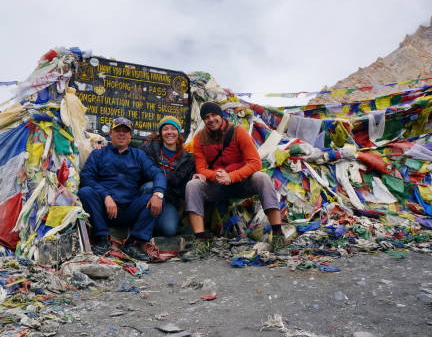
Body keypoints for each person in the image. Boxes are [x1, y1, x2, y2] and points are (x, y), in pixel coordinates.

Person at [183, 101, 284, 259]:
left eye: (214, 115)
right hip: (217, 184)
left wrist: (231, 176)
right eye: (206, 117)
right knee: (193, 185)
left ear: (221, 115)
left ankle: (278, 235)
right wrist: (217, 176)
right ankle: (200, 241)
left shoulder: (238, 132)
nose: (211, 119)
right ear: (203, 120)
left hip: (241, 182)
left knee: (262, 178)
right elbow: (201, 169)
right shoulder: (199, 139)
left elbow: (255, 163)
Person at [78, 117, 166, 261]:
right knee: (86, 192)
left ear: (130, 136)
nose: (121, 134)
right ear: (110, 134)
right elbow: (87, 178)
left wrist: (158, 194)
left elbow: (157, 173)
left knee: (156, 197)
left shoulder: (138, 155)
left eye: (125, 131)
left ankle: (133, 243)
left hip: (128, 209)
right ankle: (102, 239)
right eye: (117, 130)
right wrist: (106, 196)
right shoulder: (98, 154)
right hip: (103, 210)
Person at [141, 116, 195, 236]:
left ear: (178, 132)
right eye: (165, 129)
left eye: (173, 129)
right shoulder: (148, 149)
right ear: (160, 132)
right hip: (148, 192)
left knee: (169, 230)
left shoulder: (187, 158)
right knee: (150, 186)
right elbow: (145, 174)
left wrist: (196, 176)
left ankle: (153, 224)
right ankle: (142, 230)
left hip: (169, 199)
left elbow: (182, 189)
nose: (169, 132)